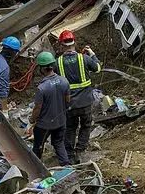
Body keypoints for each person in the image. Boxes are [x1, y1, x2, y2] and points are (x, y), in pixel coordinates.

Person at [56, 30, 101, 164]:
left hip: (69, 103)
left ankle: (68, 155)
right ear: (74, 43)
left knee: (70, 128)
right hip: (86, 102)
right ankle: (80, 150)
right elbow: (98, 68)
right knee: (86, 126)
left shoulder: (57, 63)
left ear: (61, 45)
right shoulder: (84, 58)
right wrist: (92, 54)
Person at [29, 52, 71, 166]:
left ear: (41, 68)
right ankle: (66, 165)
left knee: (38, 146)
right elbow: (68, 100)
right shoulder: (64, 81)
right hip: (61, 121)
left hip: (44, 125)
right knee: (59, 143)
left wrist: (32, 120)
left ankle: (36, 167)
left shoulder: (41, 88)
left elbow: (37, 108)